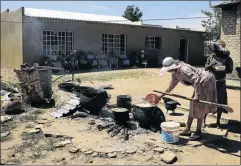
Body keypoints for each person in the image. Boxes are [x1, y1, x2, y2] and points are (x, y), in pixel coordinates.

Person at [158, 57, 217, 140]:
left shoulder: (183, 69)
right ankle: (187, 129)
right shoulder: (175, 74)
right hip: (199, 83)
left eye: (168, 69)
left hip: (205, 80)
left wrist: (197, 94)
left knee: (199, 106)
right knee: (193, 105)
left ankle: (198, 132)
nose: (167, 70)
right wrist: (160, 96)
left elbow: (196, 78)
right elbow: (171, 86)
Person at [204, 42, 233, 128]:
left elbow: (230, 70)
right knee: (207, 101)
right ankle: (203, 121)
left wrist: (222, 69)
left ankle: (218, 122)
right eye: (214, 51)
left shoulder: (228, 59)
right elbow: (206, 67)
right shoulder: (211, 57)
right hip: (210, 82)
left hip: (220, 83)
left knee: (220, 103)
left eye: (217, 51)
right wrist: (210, 66)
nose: (215, 52)